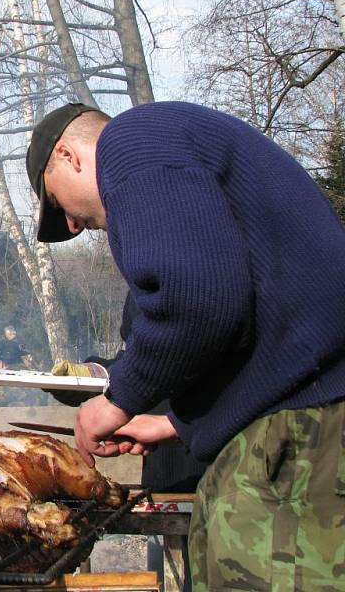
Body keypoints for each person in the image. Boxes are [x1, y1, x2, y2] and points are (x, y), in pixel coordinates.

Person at [27, 101, 345, 590]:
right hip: (301, 416)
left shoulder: (131, 142)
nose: (70, 224)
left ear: (70, 155)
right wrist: (175, 422)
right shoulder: (176, 146)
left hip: (302, 431)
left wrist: (115, 401)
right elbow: (252, 319)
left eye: (56, 203)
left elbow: (200, 300)